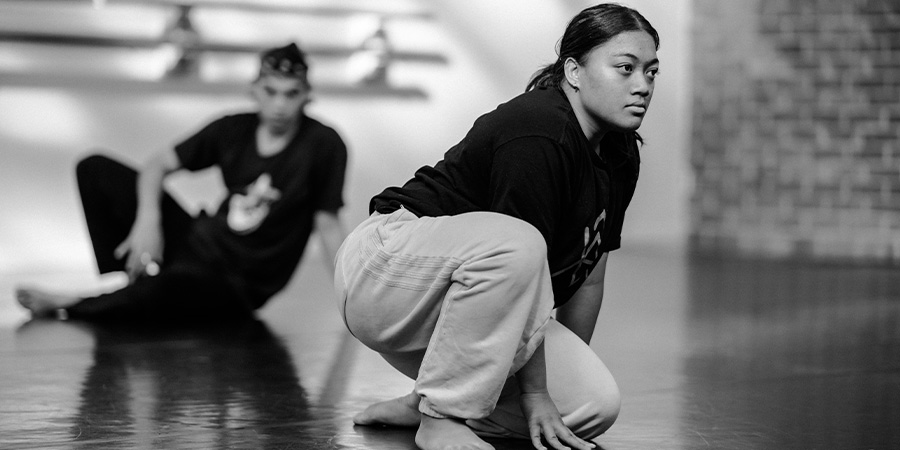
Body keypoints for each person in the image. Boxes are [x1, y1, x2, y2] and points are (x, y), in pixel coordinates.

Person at [333, 4, 659, 450]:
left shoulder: (620, 154)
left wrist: (551, 393)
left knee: (591, 404)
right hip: (385, 271)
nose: (642, 85)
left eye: (651, 72)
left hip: (458, 298)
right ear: (574, 71)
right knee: (520, 243)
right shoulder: (539, 128)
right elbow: (521, 257)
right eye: (626, 68)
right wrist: (534, 391)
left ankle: (425, 400)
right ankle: (444, 415)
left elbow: (590, 273)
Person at [16, 42, 348, 322]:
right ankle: (131, 275)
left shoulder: (324, 145)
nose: (280, 105)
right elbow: (157, 165)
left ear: (306, 96)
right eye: (270, 92)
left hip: (234, 284)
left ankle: (72, 303)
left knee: (170, 290)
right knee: (94, 169)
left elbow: (327, 223)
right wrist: (149, 221)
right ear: (254, 90)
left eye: (291, 94)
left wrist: (351, 296)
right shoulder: (233, 128)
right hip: (197, 242)